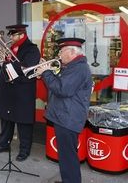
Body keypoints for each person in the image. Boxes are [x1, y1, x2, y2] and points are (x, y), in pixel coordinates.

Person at [36, 38, 93, 183]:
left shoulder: (79, 68)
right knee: (66, 156)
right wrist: (46, 73)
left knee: (68, 157)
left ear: (72, 52)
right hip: (65, 116)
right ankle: (68, 179)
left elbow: (62, 89)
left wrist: (46, 73)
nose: (59, 54)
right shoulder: (72, 66)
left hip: (68, 118)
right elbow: (60, 83)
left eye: (62, 51)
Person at [0, 24, 40, 162]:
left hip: (23, 89)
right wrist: (2, 61)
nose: (10, 38)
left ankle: (24, 149)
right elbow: (8, 66)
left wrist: (6, 63)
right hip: (8, 89)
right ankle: (3, 144)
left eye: (13, 35)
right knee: (6, 119)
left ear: (22, 34)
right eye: (10, 35)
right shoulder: (10, 48)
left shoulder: (32, 49)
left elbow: (27, 67)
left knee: (23, 122)